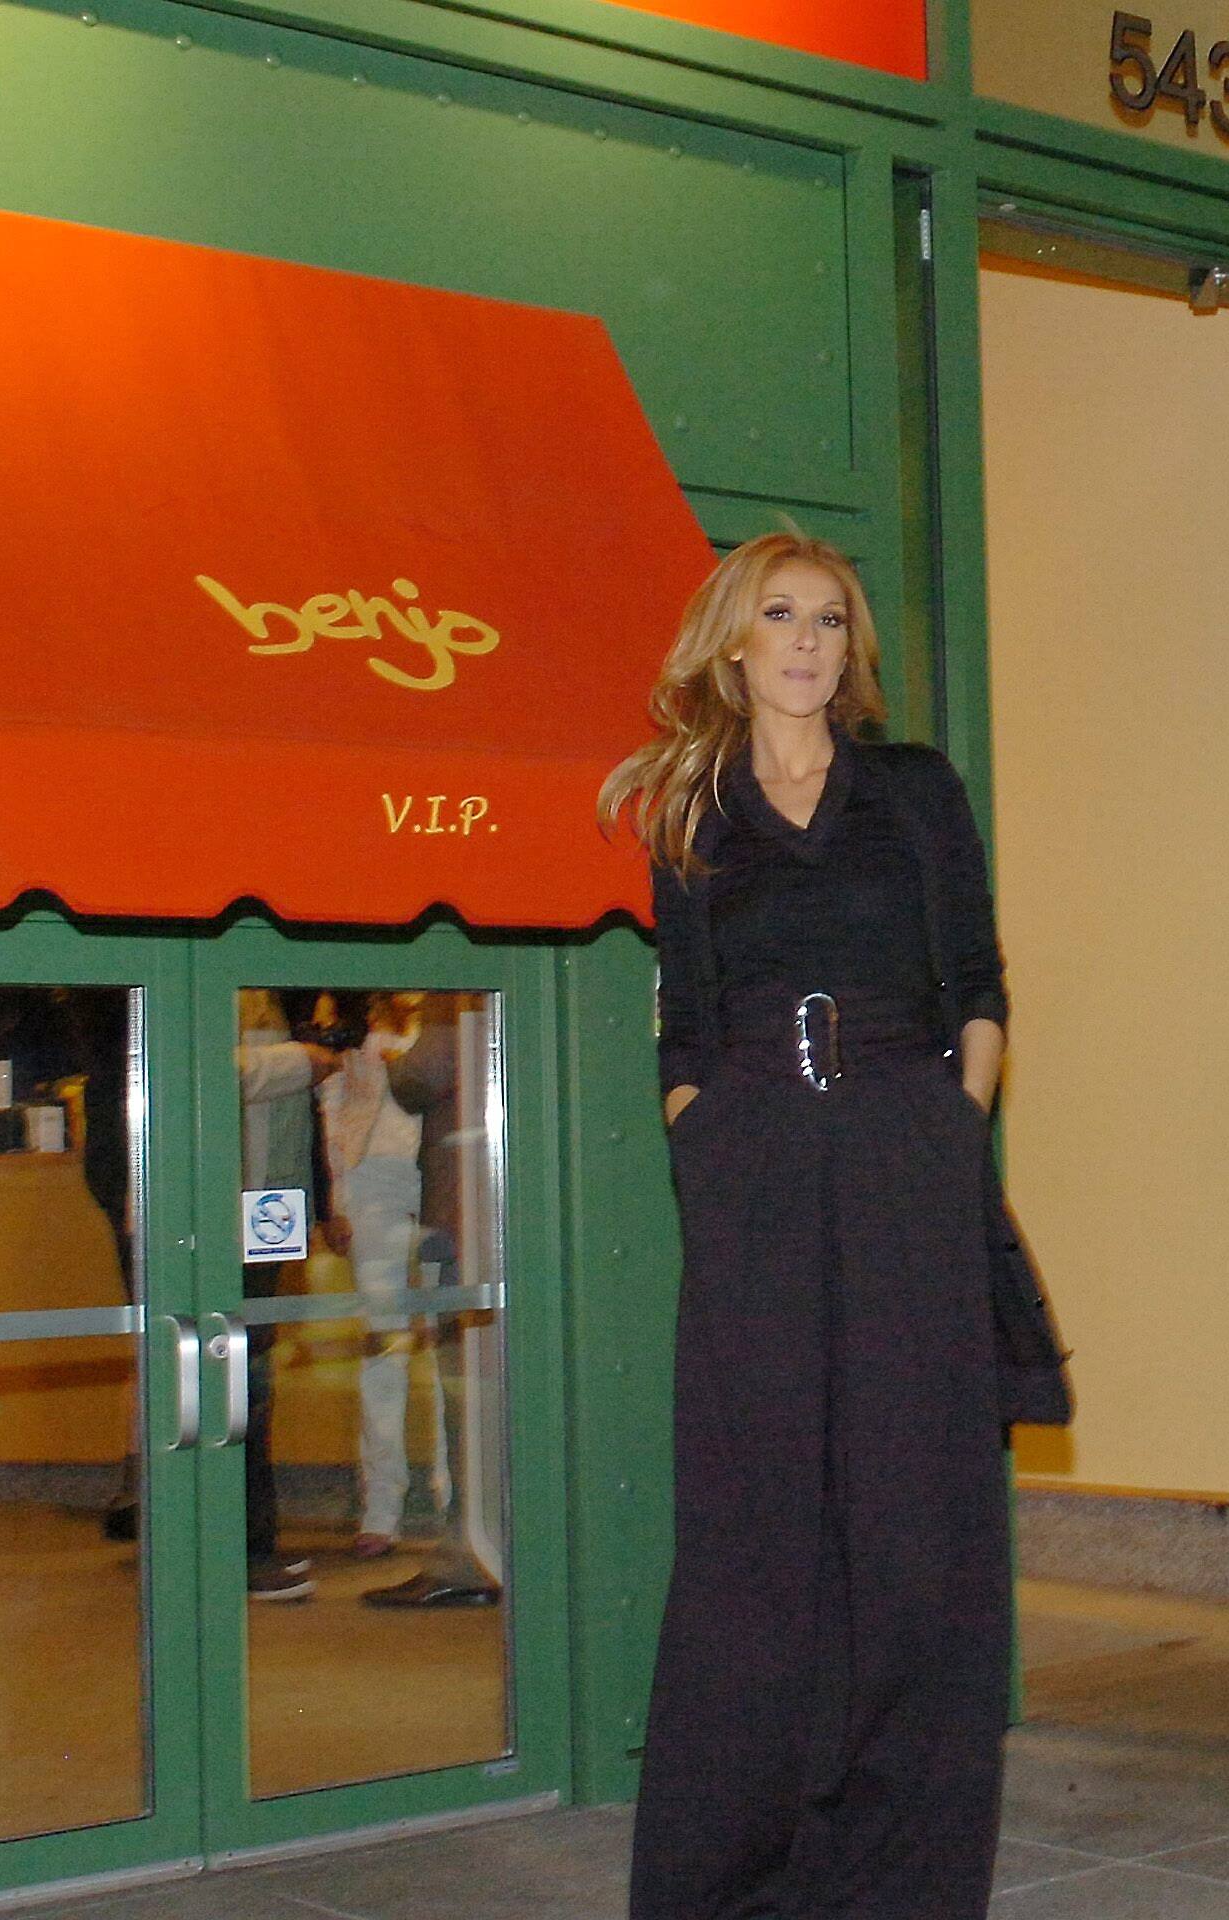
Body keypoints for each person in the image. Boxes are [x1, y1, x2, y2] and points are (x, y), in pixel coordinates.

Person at [600, 531, 1053, 1920]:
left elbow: (976, 979)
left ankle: (900, 1879)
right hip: (754, 1169)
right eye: (781, 615)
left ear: (851, 648)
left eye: (831, 620)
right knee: (754, 1525)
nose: (806, 641)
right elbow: (685, 1025)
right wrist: (707, 1132)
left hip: (907, 1153)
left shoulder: (914, 791)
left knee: (917, 1525)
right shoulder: (688, 811)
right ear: (734, 643)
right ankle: (733, 1876)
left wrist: (951, 1125)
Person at [366, 991, 506, 1608]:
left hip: (467, 1217)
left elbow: (419, 1078)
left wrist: (393, 1057)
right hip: (497, 1219)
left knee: (466, 1393)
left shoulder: (460, 991)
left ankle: (469, 1554)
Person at [317, 992, 430, 1559]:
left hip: (442, 1181)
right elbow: (332, 1106)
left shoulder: (450, 1008)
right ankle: (382, 1505)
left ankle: (453, 1496)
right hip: (373, 1188)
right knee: (385, 1350)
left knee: (459, 1343)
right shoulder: (350, 1016)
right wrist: (336, 1198)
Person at [237, 988, 338, 1601]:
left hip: (269, 1206)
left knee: (255, 1376)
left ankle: (254, 1541)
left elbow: (298, 1128)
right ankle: (241, 1548)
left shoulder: (266, 998)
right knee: (237, 1379)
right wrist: (300, 1061)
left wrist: (317, 1208)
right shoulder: (217, 988)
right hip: (229, 1206)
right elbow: (209, 1073)